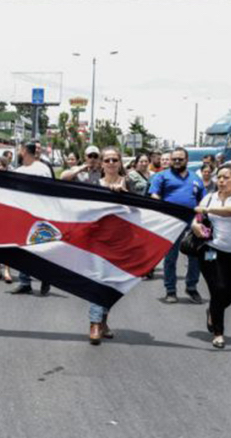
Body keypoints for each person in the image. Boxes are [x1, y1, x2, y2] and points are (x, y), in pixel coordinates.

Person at [193, 165, 231, 349]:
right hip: (211, 250)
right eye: (219, 177)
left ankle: (213, 310)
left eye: (226, 177)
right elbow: (197, 219)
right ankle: (218, 333)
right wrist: (195, 226)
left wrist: (207, 210)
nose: (222, 181)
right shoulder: (209, 198)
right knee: (218, 288)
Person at [150, 147, 207, 304]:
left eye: (180, 159)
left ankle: (191, 287)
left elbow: (203, 200)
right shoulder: (161, 176)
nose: (176, 161)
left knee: (195, 256)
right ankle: (170, 290)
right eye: (174, 159)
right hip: (171, 222)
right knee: (170, 259)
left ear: (186, 160)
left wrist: (201, 218)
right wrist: (160, 206)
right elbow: (154, 194)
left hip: (193, 223)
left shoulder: (196, 178)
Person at [87, 146, 131, 344]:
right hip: (98, 240)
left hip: (120, 240)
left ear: (120, 163)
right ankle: (94, 323)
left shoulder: (129, 183)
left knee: (113, 283)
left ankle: (104, 320)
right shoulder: (93, 183)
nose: (111, 163)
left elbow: (140, 211)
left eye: (115, 160)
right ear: (101, 163)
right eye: (107, 160)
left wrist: (125, 195)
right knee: (99, 280)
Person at [11, 142, 55, 295]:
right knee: (23, 249)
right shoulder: (19, 170)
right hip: (23, 215)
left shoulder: (42, 169)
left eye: (19, 149)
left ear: (23, 151)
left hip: (39, 215)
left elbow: (48, 191)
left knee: (40, 248)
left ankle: (45, 277)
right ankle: (25, 281)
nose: (18, 151)